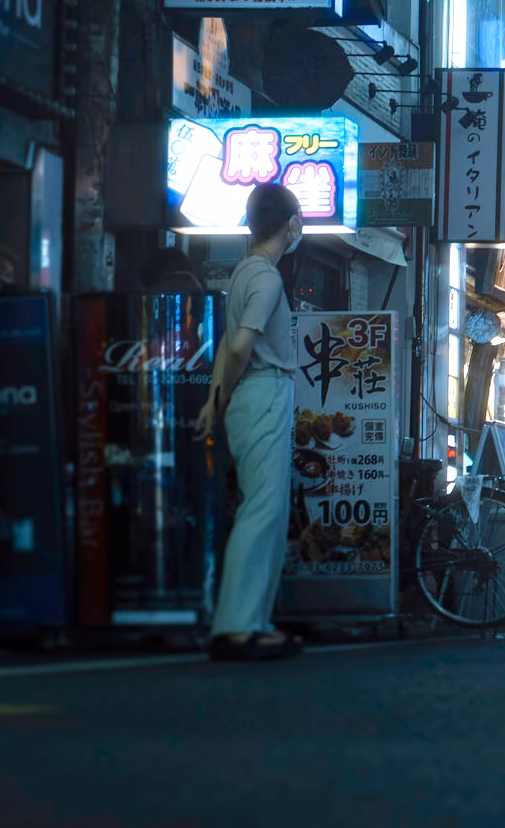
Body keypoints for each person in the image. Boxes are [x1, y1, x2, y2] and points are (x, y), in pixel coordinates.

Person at [192, 183, 304, 661]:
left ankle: (252, 622)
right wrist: (221, 397)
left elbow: (226, 344)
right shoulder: (266, 278)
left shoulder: (243, 272)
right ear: (292, 224)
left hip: (248, 395)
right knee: (262, 510)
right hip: (263, 390)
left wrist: (215, 400)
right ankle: (237, 626)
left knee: (264, 509)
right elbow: (240, 346)